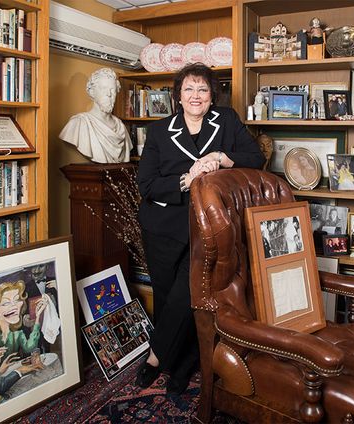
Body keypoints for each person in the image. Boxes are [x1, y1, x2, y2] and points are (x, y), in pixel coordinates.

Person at [136, 63, 265, 395]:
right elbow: (146, 185)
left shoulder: (227, 121)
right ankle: (181, 363)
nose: (196, 96)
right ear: (178, 95)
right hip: (163, 225)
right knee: (167, 298)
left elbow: (255, 157)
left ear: (212, 96)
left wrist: (222, 157)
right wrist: (187, 179)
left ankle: (157, 358)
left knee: (191, 296)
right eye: (189, 89)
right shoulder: (159, 131)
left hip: (209, 226)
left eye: (203, 90)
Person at [59, 68, 133, 163]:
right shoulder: (79, 123)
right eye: (103, 89)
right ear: (92, 92)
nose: (109, 94)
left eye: (113, 90)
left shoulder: (120, 126)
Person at [0, 281, 47, 360]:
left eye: (16, 300)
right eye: (6, 303)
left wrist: (38, 315)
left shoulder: (18, 334)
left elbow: (29, 348)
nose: (14, 306)